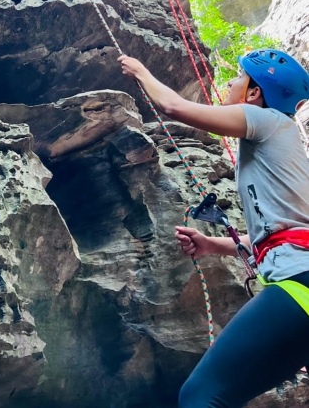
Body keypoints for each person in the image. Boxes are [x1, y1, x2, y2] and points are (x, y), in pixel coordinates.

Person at [119, 48, 309, 408]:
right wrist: (212, 244)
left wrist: (141, 70)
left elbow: (175, 107)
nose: (230, 83)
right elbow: (285, 237)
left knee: (202, 395)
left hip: (299, 285)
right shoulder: (282, 142)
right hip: (301, 280)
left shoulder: (265, 120)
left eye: (238, 78)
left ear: (254, 93)